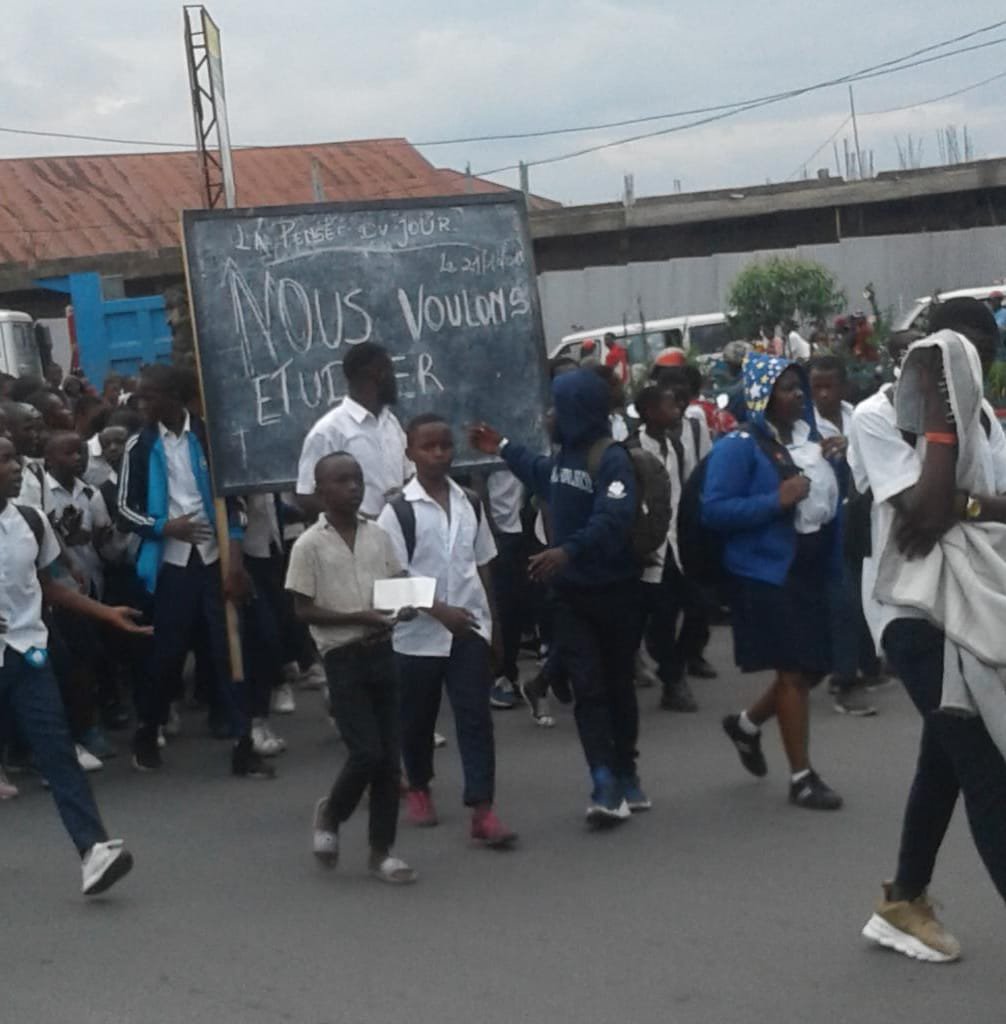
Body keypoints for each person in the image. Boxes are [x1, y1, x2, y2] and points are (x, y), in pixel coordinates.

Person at [850, 298, 1006, 962]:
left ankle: (903, 901)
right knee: (986, 768)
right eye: (951, 354)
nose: (965, 368)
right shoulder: (877, 415)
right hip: (914, 617)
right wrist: (942, 419)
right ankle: (903, 902)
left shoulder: (991, 426)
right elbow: (927, 510)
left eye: (979, 359)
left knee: (943, 760)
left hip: (976, 608)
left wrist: (962, 505)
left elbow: (952, 511)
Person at [470, 369, 645, 825]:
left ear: (578, 410)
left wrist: (569, 550)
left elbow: (614, 517)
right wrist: (503, 448)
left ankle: (627, 772)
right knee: (588, 689)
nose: (548, 415)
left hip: (615, 593)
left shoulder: (611, 460)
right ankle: (604, 782)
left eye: (557, 407)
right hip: (570, 597)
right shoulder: (564, 458)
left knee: (619, 687)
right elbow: (540, 473)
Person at [0, 433, 146, 894]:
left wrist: (106, 614)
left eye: (14, 459)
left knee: (58, 752)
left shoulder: (29, 519)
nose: (15, 468)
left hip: (27, 654)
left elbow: (49, 585)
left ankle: (93, 851)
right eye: (3, 460)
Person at [705, 353, 845, 811]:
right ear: (763, 397)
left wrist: (836, 463)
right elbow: (715, 510)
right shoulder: (738, 446)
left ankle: (746, 726)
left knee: (814, 666)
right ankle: (802, 778)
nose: (799, 394)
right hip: (767, 573)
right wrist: (774, 500)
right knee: (791, 671)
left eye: (798, 386)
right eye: (787, 388)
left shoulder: (810, 439)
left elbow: (824, 499)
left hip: (810, 568)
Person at [118, 364, 272, 779]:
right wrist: (163, 526)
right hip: (171, 563)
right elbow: (124, 508)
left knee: (230, 650)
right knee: (167, 653)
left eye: (149, 396)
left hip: (215, 557)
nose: (142, 404)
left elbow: (233, 502)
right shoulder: (140, 444)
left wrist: (235, 560)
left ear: (174, 396)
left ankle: (243, 742)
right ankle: (147, 730)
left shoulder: (210, 437)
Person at [377, 414, 517, 849]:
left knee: (475, 718)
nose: (438, 454)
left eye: (445, 446)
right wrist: (439, 611)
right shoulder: (397, 511)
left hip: (468, 630)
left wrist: (492, 627)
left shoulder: (470, 502)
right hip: (418, 637)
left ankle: (482, 807)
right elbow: (389, 583)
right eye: (427, 447)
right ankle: (418, 784)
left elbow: (482, 565)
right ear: (410, 454)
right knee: (416, 718)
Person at [287, 452, 417, 883]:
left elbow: (397, 583)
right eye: (341, 481)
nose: (353, 488)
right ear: (321, 492)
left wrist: (406, 606)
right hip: (342, 657)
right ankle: (332, 812)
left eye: (357, 479)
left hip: (382, 651)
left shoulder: (377, 535)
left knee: (389, 761)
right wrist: (358, 618)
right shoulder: (309, 545)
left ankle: (382, 852)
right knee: (366, 751)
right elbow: (303, 610)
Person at [808, 355, 878, 717]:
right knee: (844, 598)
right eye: (815, 387)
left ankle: (869, 664)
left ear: (844, 386)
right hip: (825, 520)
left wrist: (851, 449)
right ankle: (843, 679)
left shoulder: (856, 416)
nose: (821, 394)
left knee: (861, 588)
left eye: (828, 386)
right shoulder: (806, 425)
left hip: (857, 513)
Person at [631, 385, 698, 712]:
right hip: (649, 548)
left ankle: (676, 666)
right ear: (650, 412)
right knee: (660, 618)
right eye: (670, 405)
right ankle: (672, 681)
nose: (677, 410)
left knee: (698, 609)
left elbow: (683, 492)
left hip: (676, 542)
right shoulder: (631, 449)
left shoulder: (674, 445)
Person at [296, 342, 411, 520]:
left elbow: (408, 474)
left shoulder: (391, 423)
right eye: (388, 371)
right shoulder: (329, 430)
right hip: (354, 538)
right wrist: (354, 520)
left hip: (396, 531)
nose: (393, 379)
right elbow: (306, 495)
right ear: (370, 375)